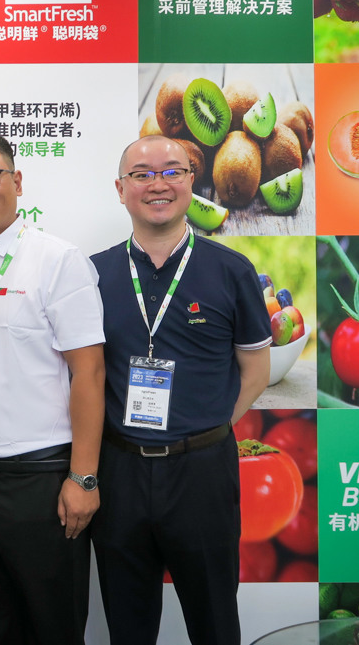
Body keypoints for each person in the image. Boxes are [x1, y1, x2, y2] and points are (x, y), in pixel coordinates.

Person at [90, 135, 271, 645]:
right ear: (121, 189)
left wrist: (205, 428)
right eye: (142, 174)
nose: (158, 184)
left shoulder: (231, 270)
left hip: (202, 474)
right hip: (119, 470)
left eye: (172, 171)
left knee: (215, 623)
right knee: (128, 626)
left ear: (192, 181)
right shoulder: (92, 274)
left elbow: (256, 371)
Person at [0, 131, 106, 645]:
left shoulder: (58, 260)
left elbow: (89, 373)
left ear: (17, 181)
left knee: (53, 628)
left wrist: (84, 478)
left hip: (41, 481)